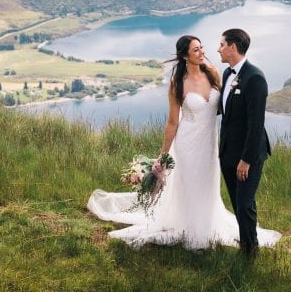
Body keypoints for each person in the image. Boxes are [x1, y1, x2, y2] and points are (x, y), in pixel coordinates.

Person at [87, 35, 280, 251]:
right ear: (185, 56)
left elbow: (224, 106)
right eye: (196, 50)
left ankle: (209, 225)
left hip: (210, 145)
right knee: (190, 187)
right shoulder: (177, 84)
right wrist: (163, 155)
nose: (202, 52)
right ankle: (192, 230)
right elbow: (172, 123)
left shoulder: (214, 73)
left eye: (201, 47)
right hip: (187, 144)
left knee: (207, 186)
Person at [218, 28, 273, 258]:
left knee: (244, 203)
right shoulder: (226, 74)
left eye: (222, 45)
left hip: (247, 155)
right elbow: (225, 111)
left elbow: (256, 124)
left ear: (232, 47)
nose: (218, 49)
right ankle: (246, 244)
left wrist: (246, 160)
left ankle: (250, 253)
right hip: (227, 152)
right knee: (236, 202)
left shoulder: (255, 78)